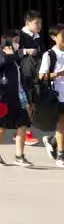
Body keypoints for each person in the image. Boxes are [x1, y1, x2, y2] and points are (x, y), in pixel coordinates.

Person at [0, 32, 33, 166]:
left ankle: (19, 155)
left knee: (23, 124)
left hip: (20, 95)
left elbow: (21, 77)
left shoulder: (16, 58)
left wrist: (28, 98)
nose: (17, 43)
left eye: (18, 40)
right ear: (7, 41)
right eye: (14, 40)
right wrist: (11, 55)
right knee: (1, 126)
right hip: (4, 96)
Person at [17, 11, 51, 153]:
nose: (39, 26)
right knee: (27, 102)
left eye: (40, 23)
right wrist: (25, 51)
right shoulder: (19, 36)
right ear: (27, 23)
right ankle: (24, 133)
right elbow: (9, 51)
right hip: (23, 73)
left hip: (35, 73)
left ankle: (25, 131)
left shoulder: (37, 37)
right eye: (36, 23)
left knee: (33, 101)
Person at [37, 23, 64, 167]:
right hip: (58, 95)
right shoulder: (49, 55)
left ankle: (52, 141)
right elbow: (41, 76)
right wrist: (58, 73)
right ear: (54, 37)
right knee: (61, 125)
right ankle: (60, 155)